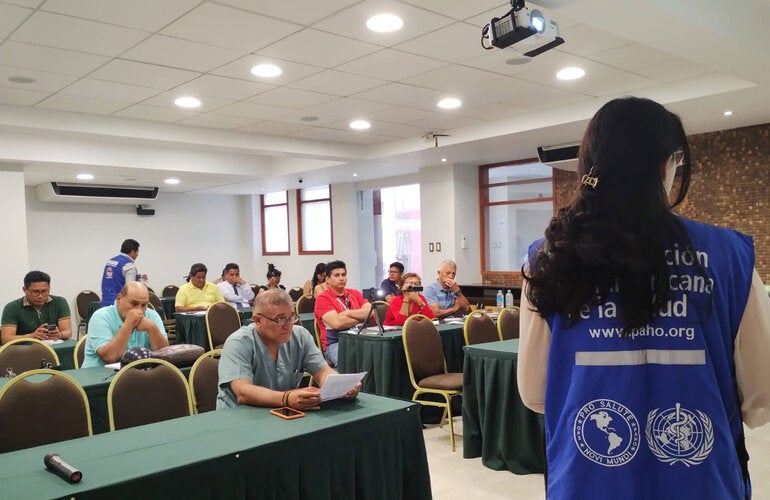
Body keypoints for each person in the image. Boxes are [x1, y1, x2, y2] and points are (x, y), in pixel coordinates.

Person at [518, 97, 770, 499]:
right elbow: (762, 395)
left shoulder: (550, 259)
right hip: (700, 478)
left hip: (588, 478)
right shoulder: (729, 256)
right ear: (666, 165)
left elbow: (535, 394)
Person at [217, 289, 360, 410]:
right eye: (279, 319)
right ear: (257, 321)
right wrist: (285, 399)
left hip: (283, 411)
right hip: (241, 417)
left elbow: (322, 371)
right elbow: (243, 392)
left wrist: (341, 386)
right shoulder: (239, 342)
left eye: (291, 317)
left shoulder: (300, 336)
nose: (288, 325)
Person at [82, 281, 168, 368]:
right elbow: (110, 357)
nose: (139, 310)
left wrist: (152, 328)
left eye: (144, 305)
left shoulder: (152, 315)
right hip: (100, 375)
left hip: (138, 374)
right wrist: (129, 324)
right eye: (133, 304)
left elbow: (164, 355)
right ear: (119, 299)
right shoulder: (101, 317)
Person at [314, 260, 372, 367]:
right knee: (346, 362)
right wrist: (362, 317)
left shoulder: (355, 293)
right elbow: (337, 324)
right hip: (336, 343)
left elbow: (371, 312)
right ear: (327, 279)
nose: (341, 278)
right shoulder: (323, 299)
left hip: (361, 339)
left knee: (375, 358)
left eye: (344, 275)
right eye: (337, 275)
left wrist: (347, 313)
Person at [1, 271, 72, 344]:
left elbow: (68, 332)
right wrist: (32, 336)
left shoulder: (59, 302)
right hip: (23, 351)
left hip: (54, 347)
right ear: (25, 290)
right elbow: (6, 339)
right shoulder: (12, 308)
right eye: (35, 292)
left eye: (44, 291)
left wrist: (58, 334)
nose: (40, 296)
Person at [100, 239, 147, 306]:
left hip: (105, 301)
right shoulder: (129, 266)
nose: (137, 255)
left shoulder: (110, 261)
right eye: (137, 252)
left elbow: (116, 277)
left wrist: (138, 277)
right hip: (118, 304)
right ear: (132, 251)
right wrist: (141, 281)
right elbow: (130, 290)